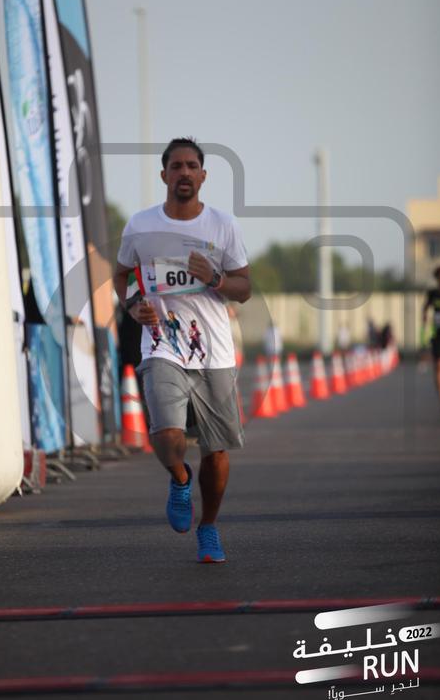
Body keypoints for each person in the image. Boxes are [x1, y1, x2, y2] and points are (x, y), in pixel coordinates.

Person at [114, 138, 251, 563]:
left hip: (213, 352)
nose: (185, 172)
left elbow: (244, 288)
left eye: (192, 166)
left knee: (216, 450)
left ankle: (208, 527)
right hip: (162, 344)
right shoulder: (141, 225)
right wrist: (132, 305)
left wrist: (215, 279)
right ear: (165, 175)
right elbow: (121, 274)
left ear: (203, 176)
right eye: (177, 166)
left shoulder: (223, 225)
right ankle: (179, 478)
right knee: (165, 432)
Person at [422, 264, 440, 413]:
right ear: (437, 279)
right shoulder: (433, 293)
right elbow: (425, 307)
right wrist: (425, 317)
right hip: (438, 335)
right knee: (439, 366)